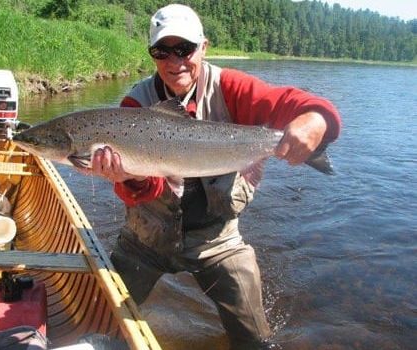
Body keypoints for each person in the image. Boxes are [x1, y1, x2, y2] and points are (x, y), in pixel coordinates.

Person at [82, 4, 341, 349]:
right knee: (98, 322)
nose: (174, 62)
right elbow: (151, 186)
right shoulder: (136, 105)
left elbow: (291, 102)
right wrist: (128, 176)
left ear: (204, 47)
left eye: (184, 49)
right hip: (146, 240)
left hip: (218, 242)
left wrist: (315, 121)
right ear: (152, 54)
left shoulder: (230, 86)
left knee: (255, 341)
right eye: (162, 51)